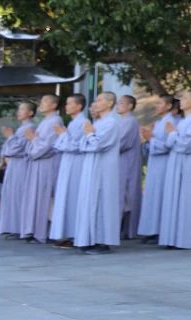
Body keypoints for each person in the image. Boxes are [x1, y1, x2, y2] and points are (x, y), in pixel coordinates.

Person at [74, 93, 121, 254]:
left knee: (102, 201)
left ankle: (102, 241)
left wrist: (89, 134)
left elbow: (98, 144)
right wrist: (88, 135)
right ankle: (88, 238)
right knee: (89, 200)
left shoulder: (112, 122)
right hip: (91, 166)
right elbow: (82, 145)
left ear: (109, 103)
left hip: (104, 168)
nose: (96, 103)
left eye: (99, 100)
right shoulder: (98, 122)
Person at [158, 91, 191, 250]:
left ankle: (186, 239)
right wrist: (174, 135)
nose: (181, 101)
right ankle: (173, 237)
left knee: (187, 199)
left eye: (185, 98)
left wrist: (172, 133)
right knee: (175, 198)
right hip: (177, 162)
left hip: (188, 164)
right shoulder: (184, 121)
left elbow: (186, 144)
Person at [22, 94, 65, 243]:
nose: (41, 103)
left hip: (47, 163)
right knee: (36, 196)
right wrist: (32, 142)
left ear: (54, 105)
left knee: (44, 197)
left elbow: (47, 145)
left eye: (45, 101)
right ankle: (34, 230)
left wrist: (33, 139)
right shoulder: (45, 121)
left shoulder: (55, 121)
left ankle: (43, 232)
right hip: (37, 162)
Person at [48, 93, 89, 248]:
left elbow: (77, 146)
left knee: (73, 197)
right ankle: (66, 233)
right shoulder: (73, 123)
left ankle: (74, 234)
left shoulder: (83, 122)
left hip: (76, 164)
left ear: (78, 106)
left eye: (70, 103)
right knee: (66, 197)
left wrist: (63, 135)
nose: (66, 106)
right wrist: (63, 135)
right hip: (68, 163)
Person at [138, 96, 177, 244]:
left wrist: (151, 139)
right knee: (152, 195)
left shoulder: (170, 122)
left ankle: (159, 230)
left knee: (160, 195)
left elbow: (168, 145)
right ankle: (151, 229)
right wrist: (149, 138)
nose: (157, 106)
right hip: (155, 163)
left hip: (164, 164)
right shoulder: (160, 122)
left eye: (160, 103)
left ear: (168, 106)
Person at [0, 101, 36, 238]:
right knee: (11, 195)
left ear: (30, 113)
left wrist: (10, 137)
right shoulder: (21, 128)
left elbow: (16, 148)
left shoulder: (30, 127)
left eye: (22, 109)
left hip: (21, 164)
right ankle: (13, 226)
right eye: (18, 109)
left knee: (18, 195)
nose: (18, 112)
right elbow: (7, 149)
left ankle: (20, 228)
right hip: (13, 164)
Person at [115, 95, 143, 240]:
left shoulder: (130, 122)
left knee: (126, 192)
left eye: (121, 103)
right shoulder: (122, 121)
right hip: (119, 161)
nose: (118, 106)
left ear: (130, 106)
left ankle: (129, 228)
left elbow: (121, 142)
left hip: (126, 161)